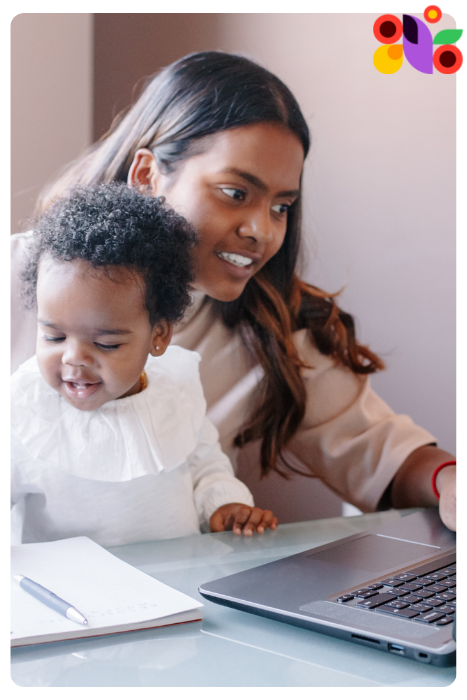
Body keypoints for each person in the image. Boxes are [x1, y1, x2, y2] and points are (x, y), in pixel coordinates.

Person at [10, 52, 465, 532]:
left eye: (281, 207)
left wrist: (449, 480)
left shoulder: (270, 326)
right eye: (235, 193)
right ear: (147, 176)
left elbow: (381, 454)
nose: (262, 231)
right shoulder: (23, 271)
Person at [10, 183, 278, 546]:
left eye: (106, 343)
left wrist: (225, 504)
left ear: (159, 335)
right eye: (54, 337)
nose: (73, 358)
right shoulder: (27, 411)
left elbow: (205, 465)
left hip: (176, 585)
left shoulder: (176, 393)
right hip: (68, 597)